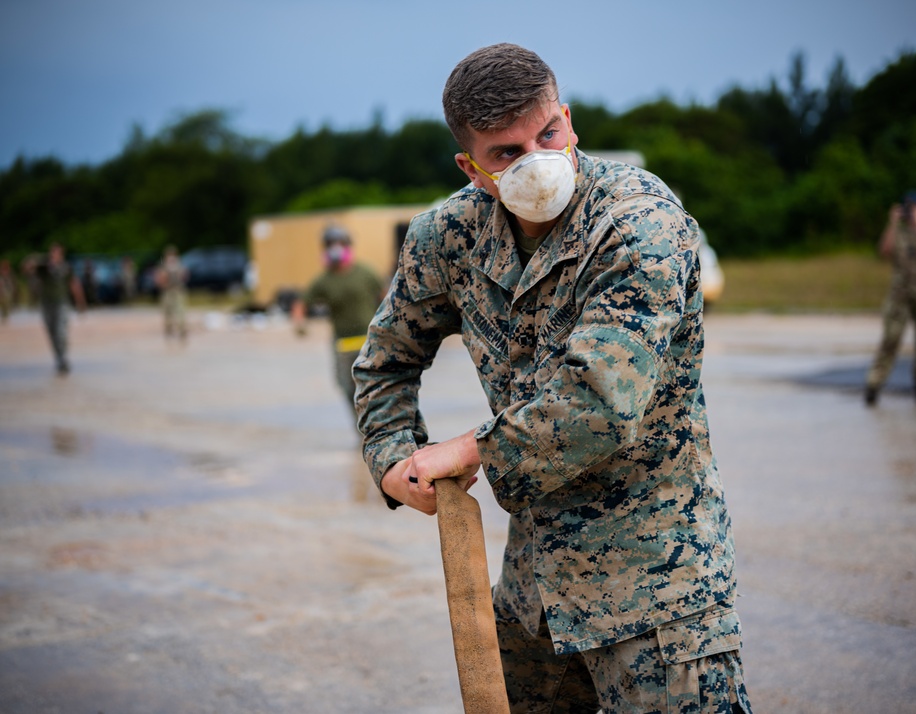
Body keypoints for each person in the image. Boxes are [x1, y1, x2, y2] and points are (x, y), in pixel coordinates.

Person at [353, 44, 752, 712]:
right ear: (472, 167)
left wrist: (469, 450)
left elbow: (600, 397)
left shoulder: (639, 221)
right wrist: (394, 458)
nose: (538, 160)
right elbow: (386, 360)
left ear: (567, 118)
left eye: (549, 134)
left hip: (656, 596)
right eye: (507, 152)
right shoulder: (448, 237)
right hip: (532, 600)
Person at [864, 191, 916, 405]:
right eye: (908, 208)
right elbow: (884, 251)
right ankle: (874, 384)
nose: (912, 212)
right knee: (890, 339)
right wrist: (892, 223)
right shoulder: (897, 233)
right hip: (899, 295)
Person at [291, 225, 384, 415]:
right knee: (347, 387)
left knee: (375, 386)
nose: (335, 248)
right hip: (342, 343)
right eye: (330, 245)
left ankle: (378, 426)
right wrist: (300, 324)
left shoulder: (365, 273)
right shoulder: (324, 280)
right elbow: (301, 304)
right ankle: (360, 425)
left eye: (339, 244)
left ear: (348, 246)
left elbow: (386, 297)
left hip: (369, 340)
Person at [22, 243, 86, 374]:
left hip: (62, 304)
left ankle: (63, 358)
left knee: (61, 331)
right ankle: (59, 358)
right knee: (52, 332)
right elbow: (26, 269)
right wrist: (36, 260)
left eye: (56, 253)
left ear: (61, 255)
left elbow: (74, 284)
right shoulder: (43, 268)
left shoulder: (66, 268)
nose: (54, 256)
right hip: (46, 304)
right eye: (52, 253)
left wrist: (81, 302)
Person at [155, 246, 188, 340]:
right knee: (174, 311)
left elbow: (160, 279)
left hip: (172, 291)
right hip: (173, 290)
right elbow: (184, 276)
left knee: (174, 311)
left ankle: (174, 330)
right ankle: (175, 330)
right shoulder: (178, 264)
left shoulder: (166, 265)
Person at [0, 258, 16, 323]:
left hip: (8, 290)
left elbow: (12, 282)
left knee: (7, 303)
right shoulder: (2, 273)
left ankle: (6, 316)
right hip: (3, 289)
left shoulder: (10, 273)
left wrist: (13, 288)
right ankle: (4, 315)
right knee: (4, 303)